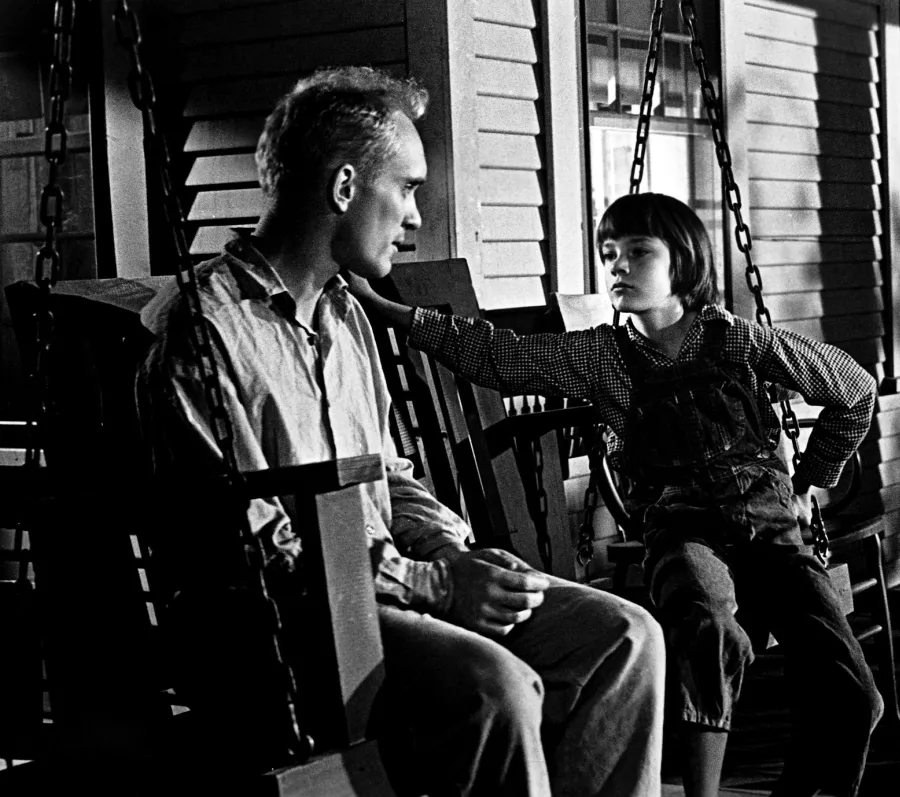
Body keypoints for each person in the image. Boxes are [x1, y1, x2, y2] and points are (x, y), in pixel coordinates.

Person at [137, 67, 665, 797]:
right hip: (294, 624)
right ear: (346, 188)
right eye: (408, 187)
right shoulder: (206, 333)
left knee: (625, 637)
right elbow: (258, 549)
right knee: (498, 689)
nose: (417, 215)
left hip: (393, 592)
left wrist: (455, 553)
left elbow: (392, 473)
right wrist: (436, 585)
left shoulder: (346, 315)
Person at [352, 192, 885, 797]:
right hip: (685, 535)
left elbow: (854, 390)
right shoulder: (603, 357)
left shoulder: (740, 342)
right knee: (710, 626)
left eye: (638, 252)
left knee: (854, 697)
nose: (618, 267)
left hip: (772, 533)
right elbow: (500, 357)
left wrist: (813, 480)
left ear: (683, 262)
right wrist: (389, 311)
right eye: (610, 255)